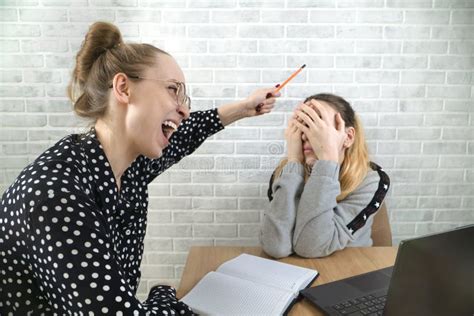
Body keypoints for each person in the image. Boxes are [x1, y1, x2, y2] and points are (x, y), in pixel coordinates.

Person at [0, 22, 279, 315]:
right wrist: (163, 297)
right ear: (123, 88)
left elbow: (186, 134)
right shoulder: (56, 193)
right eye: (173, 89)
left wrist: (245, 108)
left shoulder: (130, 167)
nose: (184, 109)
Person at [260, 93, 390, 259]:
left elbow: (311, 247)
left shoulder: (371, 180)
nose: (306, 135)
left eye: (319, 125)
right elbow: (276, 247)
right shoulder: (285, 173)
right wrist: (293, 161)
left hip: (351, 269)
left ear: (348, 137)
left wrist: (328, 160)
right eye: (302, 125)